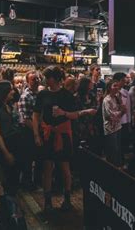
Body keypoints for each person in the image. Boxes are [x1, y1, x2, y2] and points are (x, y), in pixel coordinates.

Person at [32, 66, 96, 211]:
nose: (45, 80)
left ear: (54, 79)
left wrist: (63, 113)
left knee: (64, 167)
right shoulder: (43, 94)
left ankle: (67, 199)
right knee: (47, 167)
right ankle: (47, 201)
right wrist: (36, 134)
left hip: (63, 134)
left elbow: (75, 115)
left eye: (48, 77)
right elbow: (36, 115)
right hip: (48, 133)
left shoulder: (66, 95)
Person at [17, 71, 41, 188]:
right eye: (33, 79)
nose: (36, 81)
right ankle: (26, 184)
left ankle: (36, 182)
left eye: (37, 78)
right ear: (28, 81)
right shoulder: (25, 96)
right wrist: (37, 132)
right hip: (28, 131)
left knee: (38, 158)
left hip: (37, 130)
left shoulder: (39, 94)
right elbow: (26, 119)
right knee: (28, 159)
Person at [102, 80, 125, 167]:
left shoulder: (116, 98)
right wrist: (121, 112)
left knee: (118, 149)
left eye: (117, 86)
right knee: (112, 151)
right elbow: (110, 115)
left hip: (118, 126)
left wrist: (121, 103)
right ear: (109, 88)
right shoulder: (106, 100)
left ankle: (118, 167)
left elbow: (123, 110)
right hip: (110, 129)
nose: (116, 88)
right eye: (114, 86)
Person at [113, 72, 132, 154]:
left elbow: (128, 108)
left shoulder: (125, 92)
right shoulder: (111, 91)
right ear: (119, 81)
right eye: (123, 81)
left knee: (123, 142)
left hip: (124, 121)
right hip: (114, 122)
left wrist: (129, 121)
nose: (125, 82)